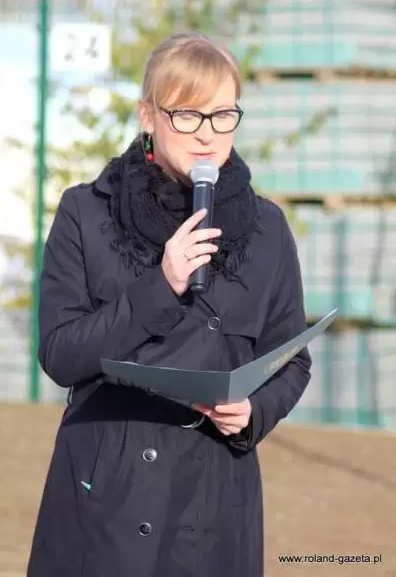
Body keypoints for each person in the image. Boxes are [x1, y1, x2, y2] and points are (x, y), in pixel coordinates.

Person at [27, 32, 312, 577]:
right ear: (148, 116)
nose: (207, 133)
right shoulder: (86, 212)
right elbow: (60, 354)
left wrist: (252, 412)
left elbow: (291, 360)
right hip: (107, 494)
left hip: (211, 497)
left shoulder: (268, 228)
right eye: (187, 114)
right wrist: (160, 284)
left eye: (222, 114)